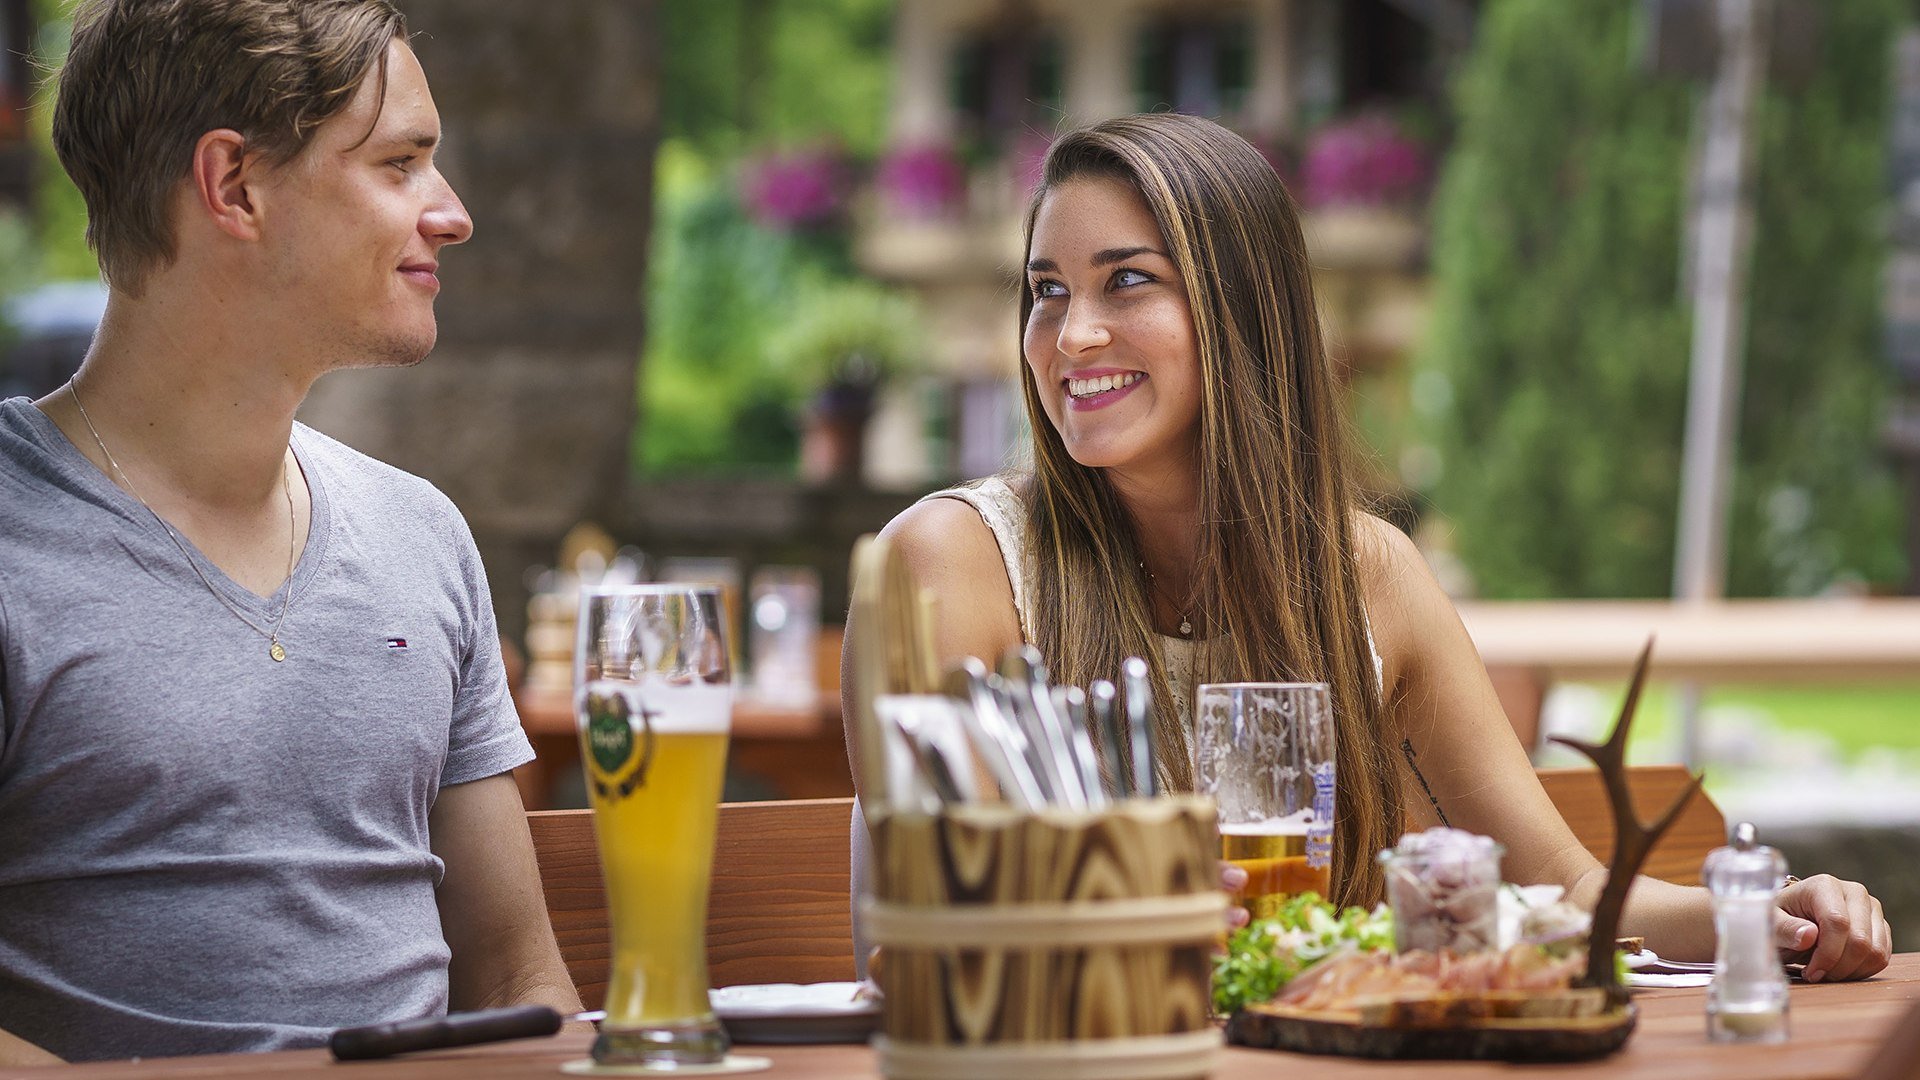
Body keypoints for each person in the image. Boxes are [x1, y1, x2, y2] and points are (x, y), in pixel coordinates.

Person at [846, 113, 1892, 982]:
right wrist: (1101, 912)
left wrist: (1762, 909)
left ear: (1241, 313)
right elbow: (921, 935)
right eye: (1047, 290)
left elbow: (1568, 890)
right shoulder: (952, 563)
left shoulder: (1365, 575)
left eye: (1127, 281)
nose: (1071, 336)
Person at [0, 0, 583, 1063]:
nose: (449, 212)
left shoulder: (422, 535)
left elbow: (518, 983)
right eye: (400, 163)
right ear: (234, 187)